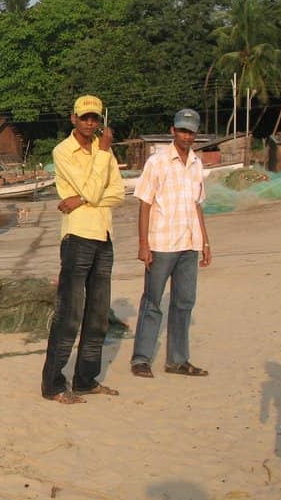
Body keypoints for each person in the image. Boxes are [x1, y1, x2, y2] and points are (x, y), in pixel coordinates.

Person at [41, 95, 125, 404]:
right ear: (73, 118)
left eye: (94, 118)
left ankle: (86, 379)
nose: (90, 123)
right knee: (70, 314)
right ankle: (53, 384)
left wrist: (82, 199)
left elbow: (118, 193)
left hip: (103, 235)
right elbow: (91, 188)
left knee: (98, 315)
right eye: (85, 117)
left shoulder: (104, 151)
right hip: (77, 236)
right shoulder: (63, 151)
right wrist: (102, 156)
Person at [130, 108, 211, 378]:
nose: (186, 136)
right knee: (152, 301)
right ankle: (141, 359)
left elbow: (198, 205)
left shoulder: (197, 164)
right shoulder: (157, 162)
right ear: (172, 131)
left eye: (191, 132)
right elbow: (144, 203)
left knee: (184, 302)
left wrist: (206, 242)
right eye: (182, 130)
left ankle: (177, 360)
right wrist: (143, 244)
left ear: (196, 135)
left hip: (189, 244)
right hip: (161, 243)